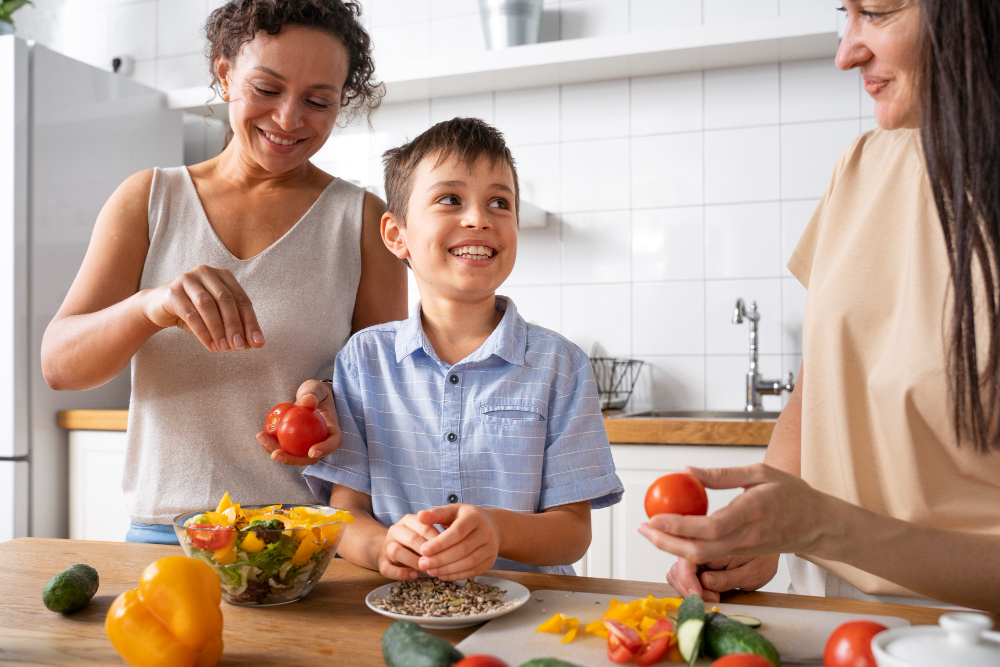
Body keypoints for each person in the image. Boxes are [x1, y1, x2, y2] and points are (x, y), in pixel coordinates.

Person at [640, 0, 1000, 613]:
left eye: (879, 13)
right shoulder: (861, 165)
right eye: (847, 13)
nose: (846, 52)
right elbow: (820, 382)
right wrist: (767, 535)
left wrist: (821, 527)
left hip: (968, 632)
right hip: (824, 614)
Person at [40, 0, 406, 544]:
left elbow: (387, 391)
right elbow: (60, 366)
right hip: (170, 533)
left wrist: (333, 400)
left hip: (308, 539)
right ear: (224, 72)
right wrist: (152, 306)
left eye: (318, 101)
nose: (288, 118)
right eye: (266, 89)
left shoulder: (363, 221)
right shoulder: (149, 200)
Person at [300, 118, 624, 579]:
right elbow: (346, 513)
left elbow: (573, 532)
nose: (479, 218)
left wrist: (498, 531)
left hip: (532, 615)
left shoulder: (560, 364)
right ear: (397, 236)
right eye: (450, 199)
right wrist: (381, 548)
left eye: (499, 202)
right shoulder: (362, 360)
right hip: (403, 606)